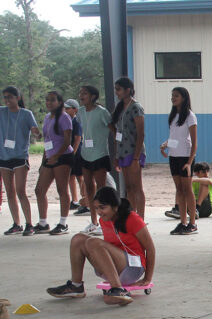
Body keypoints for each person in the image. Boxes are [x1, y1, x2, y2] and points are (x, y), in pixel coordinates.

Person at [46, 186, 156, 306]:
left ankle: (118, 290)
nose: (99, 212)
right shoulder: (104, 220)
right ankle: (76, 286)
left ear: (115, 206)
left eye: (103, 208)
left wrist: (147, 278)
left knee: (93, 242)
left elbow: (150, 249)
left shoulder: (133, 218)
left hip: (133, 267)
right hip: (115, 267)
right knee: (78, 239)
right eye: (96, 208)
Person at [0, 86, 40, 236]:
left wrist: (37, 133)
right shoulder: (1, 112)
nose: (7, 100)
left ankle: (29, 223)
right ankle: (16, 224)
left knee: (20, 191)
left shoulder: (26, 114)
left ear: (17, 98)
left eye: (10, 97)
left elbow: (35, 129)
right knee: (9, 192)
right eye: (5, 97)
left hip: (20, 156)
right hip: (3, 156)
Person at [34, 90, 74, 235]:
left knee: (62, 190)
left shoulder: (64, 117)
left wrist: (56, 156)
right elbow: (47, 141)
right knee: (39, 190)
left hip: (63, 156)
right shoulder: (47, 117)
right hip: (50, 157)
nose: (49, 103)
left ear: (59, 102)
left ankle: (63, 223)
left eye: (52, 100)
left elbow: (67, 140)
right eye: (47, 100)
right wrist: (43, 160)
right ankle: (43, 223)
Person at [160, 87, 198, 235]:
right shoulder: (173, 115)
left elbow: (194, 142)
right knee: (179, 190)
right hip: (173, 156)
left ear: (184, 97)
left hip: (185, 157)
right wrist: (165, 144)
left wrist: (189, 162)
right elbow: (175, 137)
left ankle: (193, 223)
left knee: (187, 190)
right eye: (172, 95)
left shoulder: (190, 116)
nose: (173, 98)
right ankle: (182, 222)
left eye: (176, 95)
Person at [76, 86, 113, 235]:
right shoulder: (80, 112)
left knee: (101, 189)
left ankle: (106, 223)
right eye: (80, 93)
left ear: (93, 96)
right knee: (88, 188)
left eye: (84, 93)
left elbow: (113, 130)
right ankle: (93, 221)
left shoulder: (102, 112)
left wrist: (115, 153)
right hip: (86, 153)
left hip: (100, 154)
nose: (81, 96)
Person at [110, 77, 146, 218]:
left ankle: (141, 218)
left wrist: (136, 157)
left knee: (137, 187)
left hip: (133, 151)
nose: (116, 92)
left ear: (128, 90)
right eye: (116, 89)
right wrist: (117, 155)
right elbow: (117, 132)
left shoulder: (136, 107)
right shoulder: (120, 107)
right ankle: (132, 216)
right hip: (122, 152)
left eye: (119, 89)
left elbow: (140, 133)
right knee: (128, 187)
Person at [65, 99, 85, 213]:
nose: (66, 110)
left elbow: (78, 138)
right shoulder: (67, 120)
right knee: (70, 176)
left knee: (79, 176)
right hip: (70, 152)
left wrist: (73, 152)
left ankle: (84, 199)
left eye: (68, 108)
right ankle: (74, 200)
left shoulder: (76, 121)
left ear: (75, 109)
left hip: (76, 153)